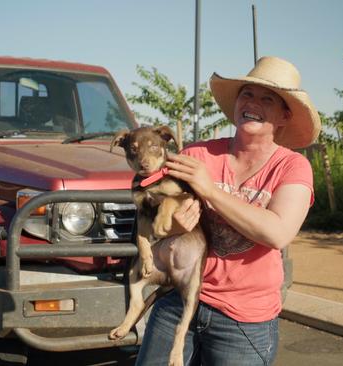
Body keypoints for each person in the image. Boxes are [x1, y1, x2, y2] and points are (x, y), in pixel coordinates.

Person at [135, 56, 321, 366]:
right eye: (247, 94)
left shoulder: (292, 167)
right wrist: (174, 228)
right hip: (178, 302)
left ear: (285, 116)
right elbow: (153, 224)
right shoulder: (196, 155)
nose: (253, 103)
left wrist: (209, 190)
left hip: (244, 319)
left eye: (267, 99)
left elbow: (276, 232)